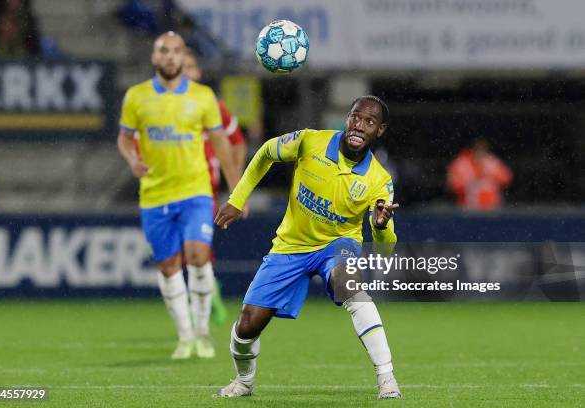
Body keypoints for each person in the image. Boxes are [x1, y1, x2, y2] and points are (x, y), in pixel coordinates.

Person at [213, 96, 402, 399]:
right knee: (247, 324)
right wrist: (237, 199)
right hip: (291, 245)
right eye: (356, 117)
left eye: (369, 122)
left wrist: (380, 227)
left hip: (337, 245)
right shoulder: (309, 141)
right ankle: (244, 382)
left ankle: (387, 379)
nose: (359, 125)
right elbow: (265, 153)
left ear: (379, 131)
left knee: (349, 285)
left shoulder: (379, 180)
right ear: (347, 119)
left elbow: (385, 251)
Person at [117, 31, 239, 360]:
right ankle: (185, 336)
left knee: (198, 256)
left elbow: (222, 145)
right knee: (168, 266)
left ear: (184, 57)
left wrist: (237, 190)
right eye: (163, 51)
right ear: (155, 58)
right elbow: (124, 138)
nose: (170, 57)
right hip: (155, 195)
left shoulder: (203, 97)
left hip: (195, 191)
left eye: (176, 51)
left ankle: (202, 333)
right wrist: (131, 160)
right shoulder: (137, 97)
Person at [181, 47, 248, 325]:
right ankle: (210, 294)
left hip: (201, 187)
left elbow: (238, 143)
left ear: (198, 72)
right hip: (167, 189)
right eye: (180, 66)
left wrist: (237, 190)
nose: (185, 71)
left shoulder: (211, 105)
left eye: (190, 66)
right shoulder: (159, 106)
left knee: (197, 251)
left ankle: (205, 313)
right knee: (183, 255)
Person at [447, 137, 513, 210]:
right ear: (472, 149)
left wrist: (489, 175)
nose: (480, 152)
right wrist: (471, 182)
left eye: (483, 149)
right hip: (467, 208)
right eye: (478, 149)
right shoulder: (461, 163)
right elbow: (452, 184)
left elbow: (507, 178)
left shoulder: (491, 162)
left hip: (492, 208)